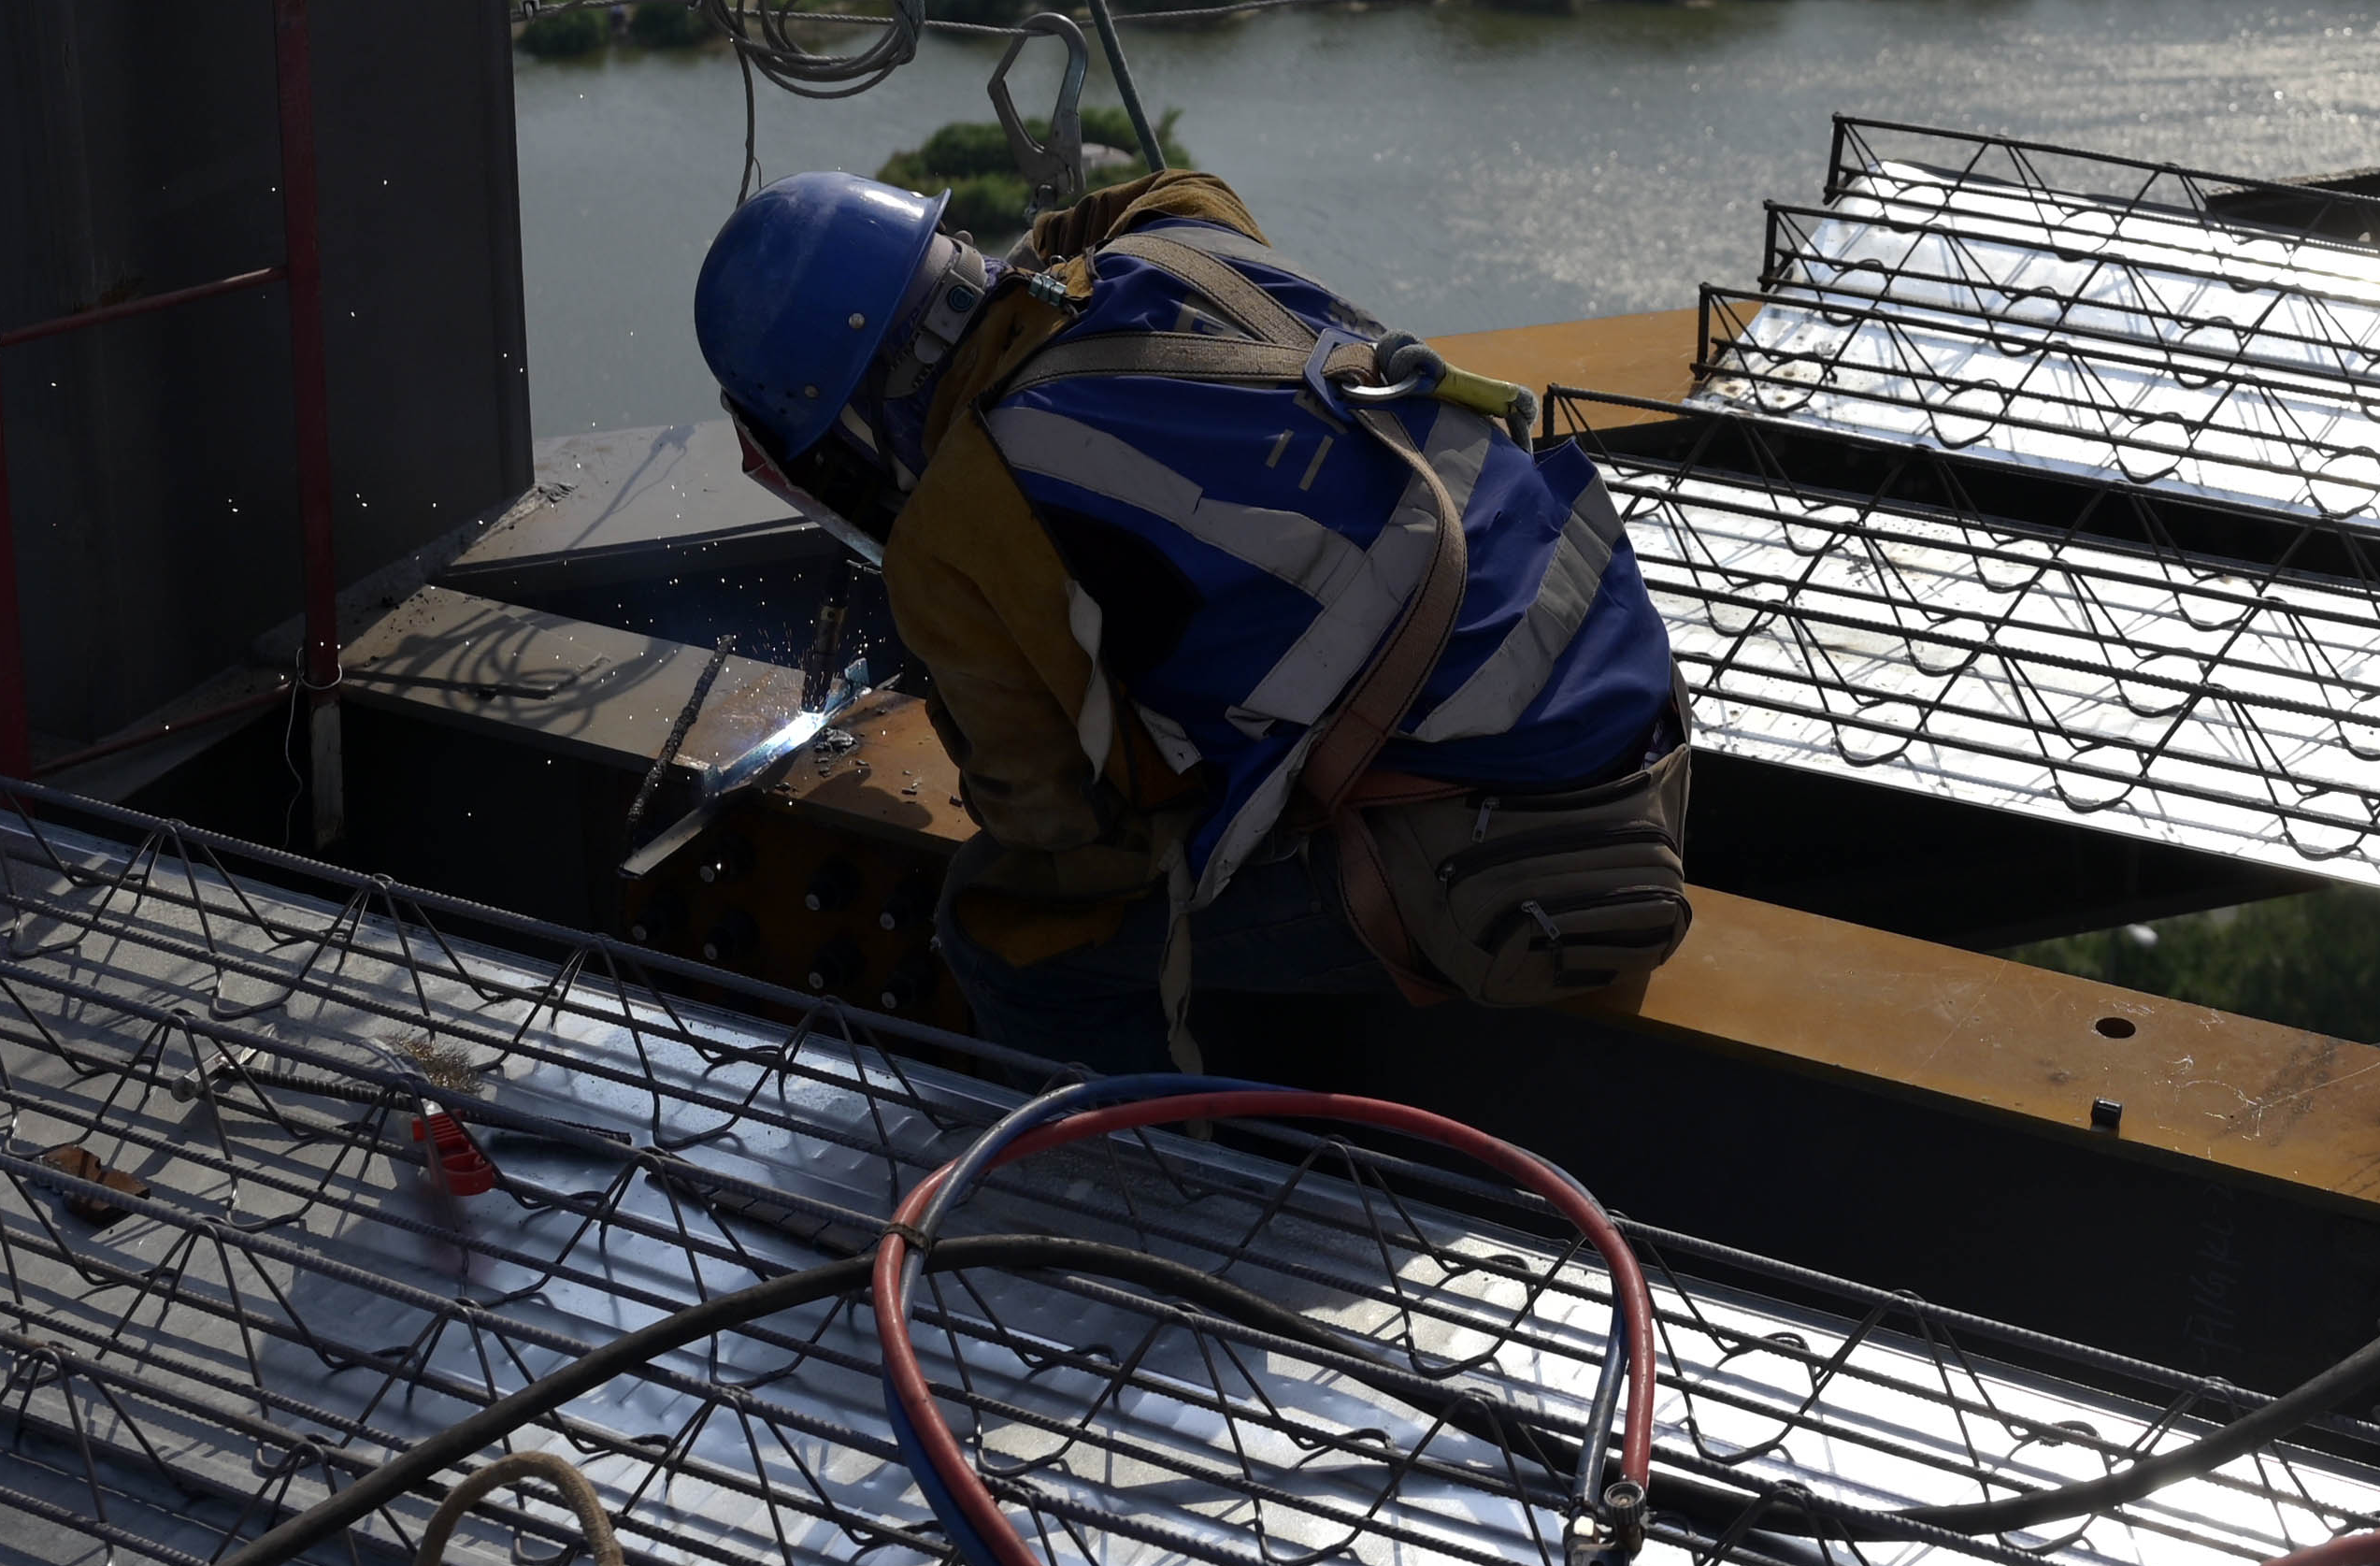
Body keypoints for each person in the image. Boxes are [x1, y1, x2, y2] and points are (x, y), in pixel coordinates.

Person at [691, 154, 1694, 1070]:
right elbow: (1164, 187)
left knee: (1006, 938)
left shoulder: (955, 527)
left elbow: (1057, 825)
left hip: (1516, 871)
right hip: (1643, 728)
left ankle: (1146, 1189)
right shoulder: (1182, 237)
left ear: (849, 426)